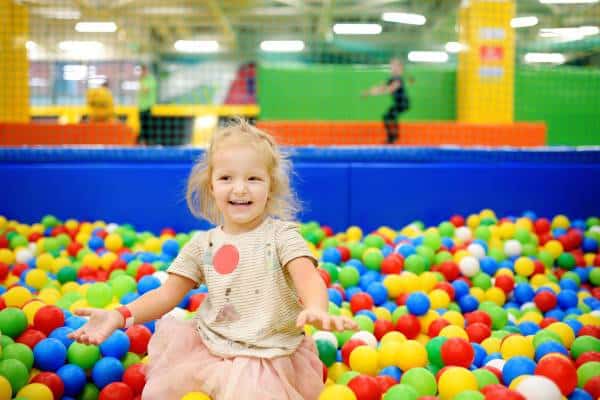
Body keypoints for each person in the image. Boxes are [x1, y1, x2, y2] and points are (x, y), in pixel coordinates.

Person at [68, 119, 358, 400]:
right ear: (211, 186)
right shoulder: (203, 244)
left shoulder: (282, 236)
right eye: (226, 178)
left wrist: (317, 308)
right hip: (209, 348)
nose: (240, 188)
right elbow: (166, 294)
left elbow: (307, 277)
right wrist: (119, 315)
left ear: (270, 186)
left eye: (253, 178)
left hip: (268, 355)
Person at [362, 58, 413, 144]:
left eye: (395, 66)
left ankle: (393, 137)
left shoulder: (398, 79)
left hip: (403, 103)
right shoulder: (391, 78)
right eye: (391, 66)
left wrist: (378, 93)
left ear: (400, 69)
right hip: (398, 103)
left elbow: (391, 89)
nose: (392, 68)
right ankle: (393, 137)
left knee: (390, 116)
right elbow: (381, 87)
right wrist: (368, 92)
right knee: (388, 117)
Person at [137, 64, 157, 144]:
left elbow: (146, 90)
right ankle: (144, 143)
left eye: (143, 71)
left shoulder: (151, 79)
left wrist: (141, 82)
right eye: (141, 71)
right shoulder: (141, 80)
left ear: (146, 70)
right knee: (143, 127)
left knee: (149, 127)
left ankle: (150, 143)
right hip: (141, 107)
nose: (141, 73)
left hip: (149, 107)